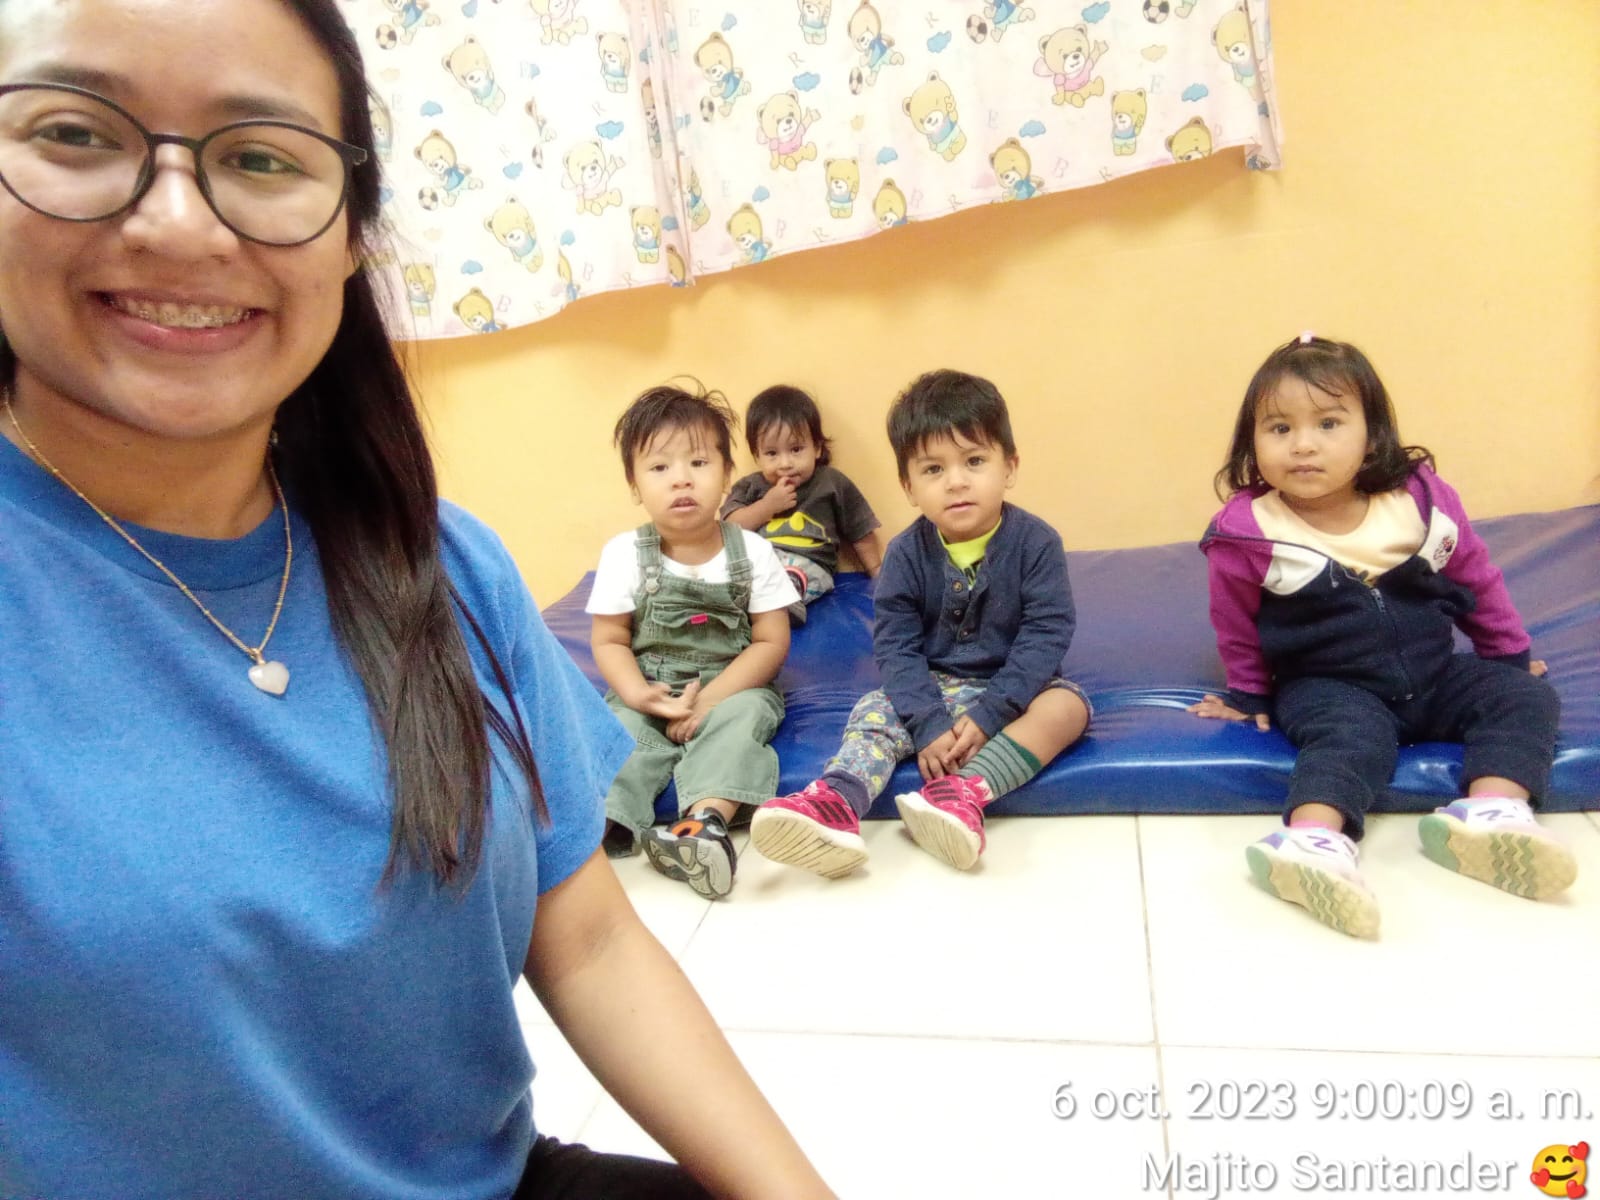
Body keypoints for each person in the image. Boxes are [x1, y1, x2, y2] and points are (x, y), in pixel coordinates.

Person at [0, 3, 832, 1197]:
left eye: (261, 156)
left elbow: (590, 938)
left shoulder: (444, 563)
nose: (178, 221)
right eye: (78, 133)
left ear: (351, 232)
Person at [1188, 333, 1573, 939]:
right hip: (1330, 686)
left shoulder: (1418, 502)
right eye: (1280, 428)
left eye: (1329, 423)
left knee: (1525, 697)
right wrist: (1249, 694)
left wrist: (1509, 655)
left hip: (1435, 673)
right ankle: (1311, 842)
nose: (1303, 444)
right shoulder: (1249, 532)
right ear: (1251, 442)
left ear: (1372, 435)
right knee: (1349, 742)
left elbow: (1474, 576)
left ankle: (1492, 812)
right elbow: (1234, 623)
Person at [750, 369, 1090, 877]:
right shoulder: (905, 554)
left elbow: (1046, 635)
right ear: (909, 487)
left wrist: (994, 712)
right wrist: (927, 722)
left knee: (1068, 708)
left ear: (1009, 467)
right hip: (928, 688)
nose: (956, 481)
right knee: (873, 709)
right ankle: (835, 802)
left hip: (1013, 688)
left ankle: (963, 793)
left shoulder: (1037, 543)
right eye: (933, 469)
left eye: (974, 461)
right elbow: (896, 647)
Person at [587, 384, 798, 898]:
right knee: (618, 733)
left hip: (730, 686)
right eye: (659, 467)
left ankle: (702, 825)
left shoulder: (752, 551)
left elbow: (770, 642)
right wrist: (639, 695)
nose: (681, 478)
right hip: (651, 687)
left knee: (744, 723)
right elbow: (610, 639)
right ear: (635, 484)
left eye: (699, 463)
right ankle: (596, 830)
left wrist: (711, 700)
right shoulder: (623, 553)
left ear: (727, 474)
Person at [722, 384, 882, 623]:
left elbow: (861, 529)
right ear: (757, 456)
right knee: (731, 572)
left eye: (796, 449)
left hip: (810, 563)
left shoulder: (831, 482)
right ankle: (740, 606)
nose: (785, 463)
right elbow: (729, 529)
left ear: (817, 448)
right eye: (772, 453)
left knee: (795, 575)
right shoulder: (751, 486)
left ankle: (783, 603)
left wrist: (877, 572)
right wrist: (767, 506)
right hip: (760, 560)